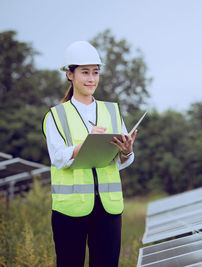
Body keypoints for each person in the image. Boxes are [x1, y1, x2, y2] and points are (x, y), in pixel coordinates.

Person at [42, 41, 137, 267]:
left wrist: (126, 152)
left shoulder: (112, 111)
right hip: (70, 208)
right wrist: (85, 144)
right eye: (84, 72)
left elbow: (121, 161)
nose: (91, 79)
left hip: (108, 208)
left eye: (95, 72)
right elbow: (58, 158)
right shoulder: (55, 115)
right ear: (69, 74)